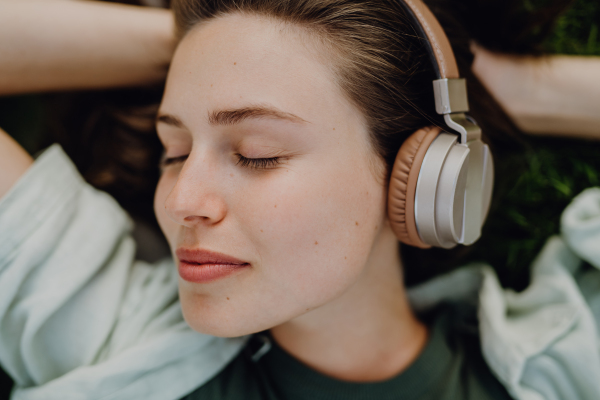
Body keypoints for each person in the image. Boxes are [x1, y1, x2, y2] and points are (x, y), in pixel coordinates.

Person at [0, 1, 599, 400]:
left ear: (423, 177)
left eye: (257, 153)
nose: (183, 197)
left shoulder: (569, 360)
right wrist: (209, 35)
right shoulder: (110, 338)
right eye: (174, 151)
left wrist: (493, 90)